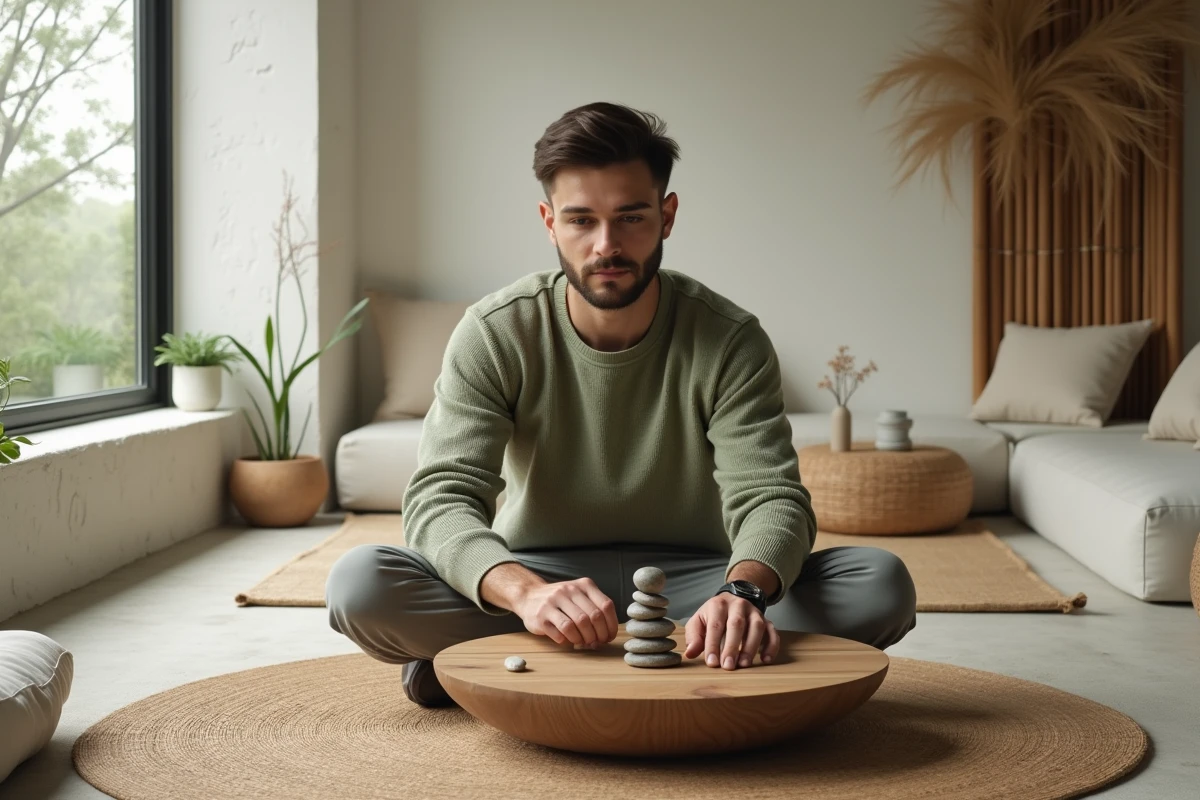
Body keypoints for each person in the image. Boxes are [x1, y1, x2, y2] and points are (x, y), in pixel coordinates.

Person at [326, 101, 917, 707]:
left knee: (879, 586)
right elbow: (442, 497)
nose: (606, 245)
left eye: (631, 217)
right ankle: (681, 656)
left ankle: (491, 663)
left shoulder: (729, 339)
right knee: (361, 584)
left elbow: (770, 496)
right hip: (540, 578)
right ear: (549, 222)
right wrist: (525, 594)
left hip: (698, 582)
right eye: (581, 220)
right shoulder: (496, 331)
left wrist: (743, 596)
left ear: (667, 216)